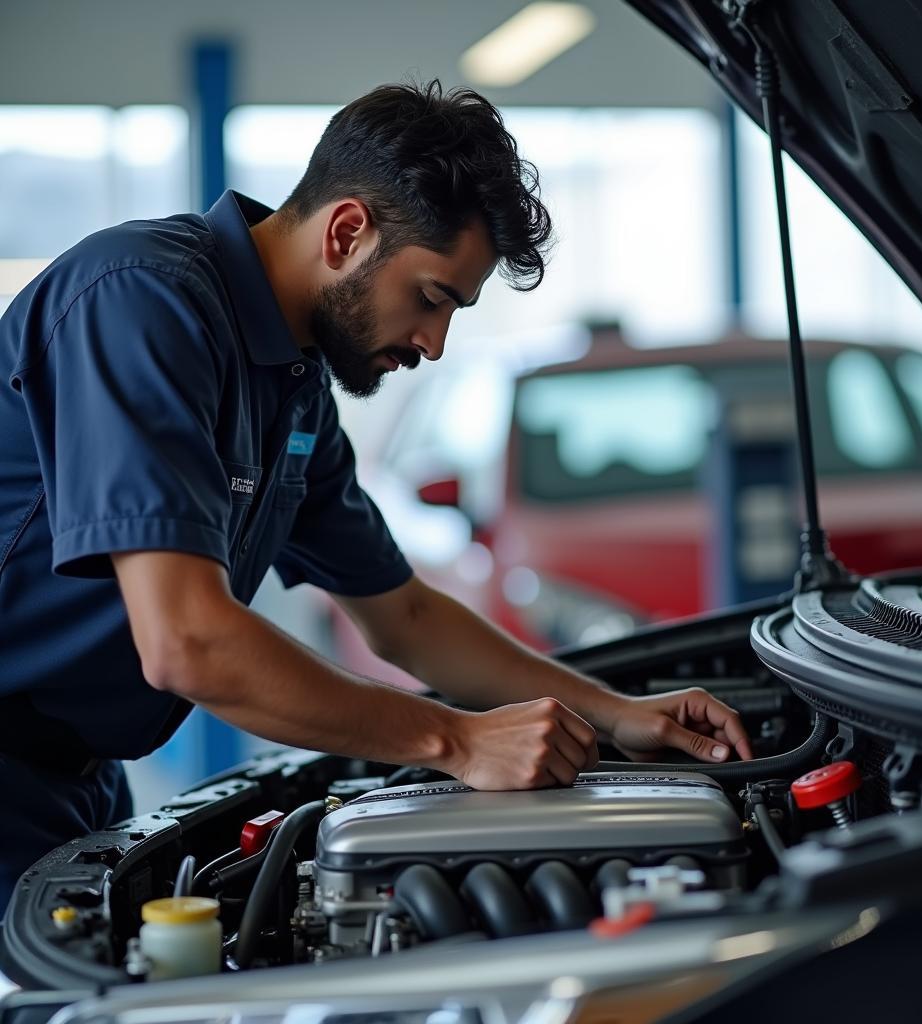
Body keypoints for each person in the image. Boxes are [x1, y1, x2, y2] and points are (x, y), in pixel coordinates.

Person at [0, 80, 752, 909]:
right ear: (347, 231)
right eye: (431, 298)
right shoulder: (141, 302)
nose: (433, 342)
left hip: (76, 781)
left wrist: (614, 714)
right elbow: (187, 642)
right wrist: (457, 742)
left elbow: (406, 617)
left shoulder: (294, 388)